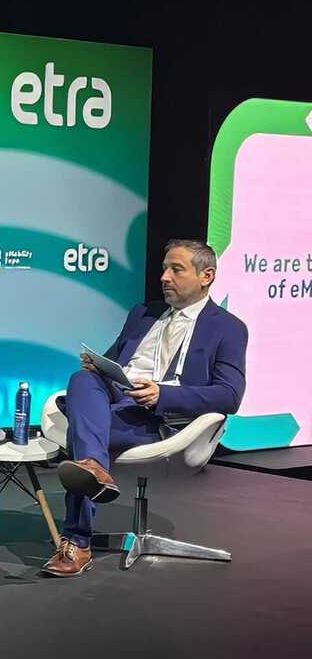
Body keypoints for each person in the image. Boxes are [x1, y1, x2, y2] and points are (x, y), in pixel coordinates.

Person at [42, 239, 247, 577]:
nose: (164, 277)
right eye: (164, 269)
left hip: (162, 418)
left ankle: (77, 540)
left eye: (176, 270)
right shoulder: (144, 313)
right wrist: (98, 366)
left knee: (87, 435)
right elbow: (114, 361)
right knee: (83, 379)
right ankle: (93, 467)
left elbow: (229, 395)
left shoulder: (228, 328)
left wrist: (162, 395)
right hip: (117, 401)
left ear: (206, 275)